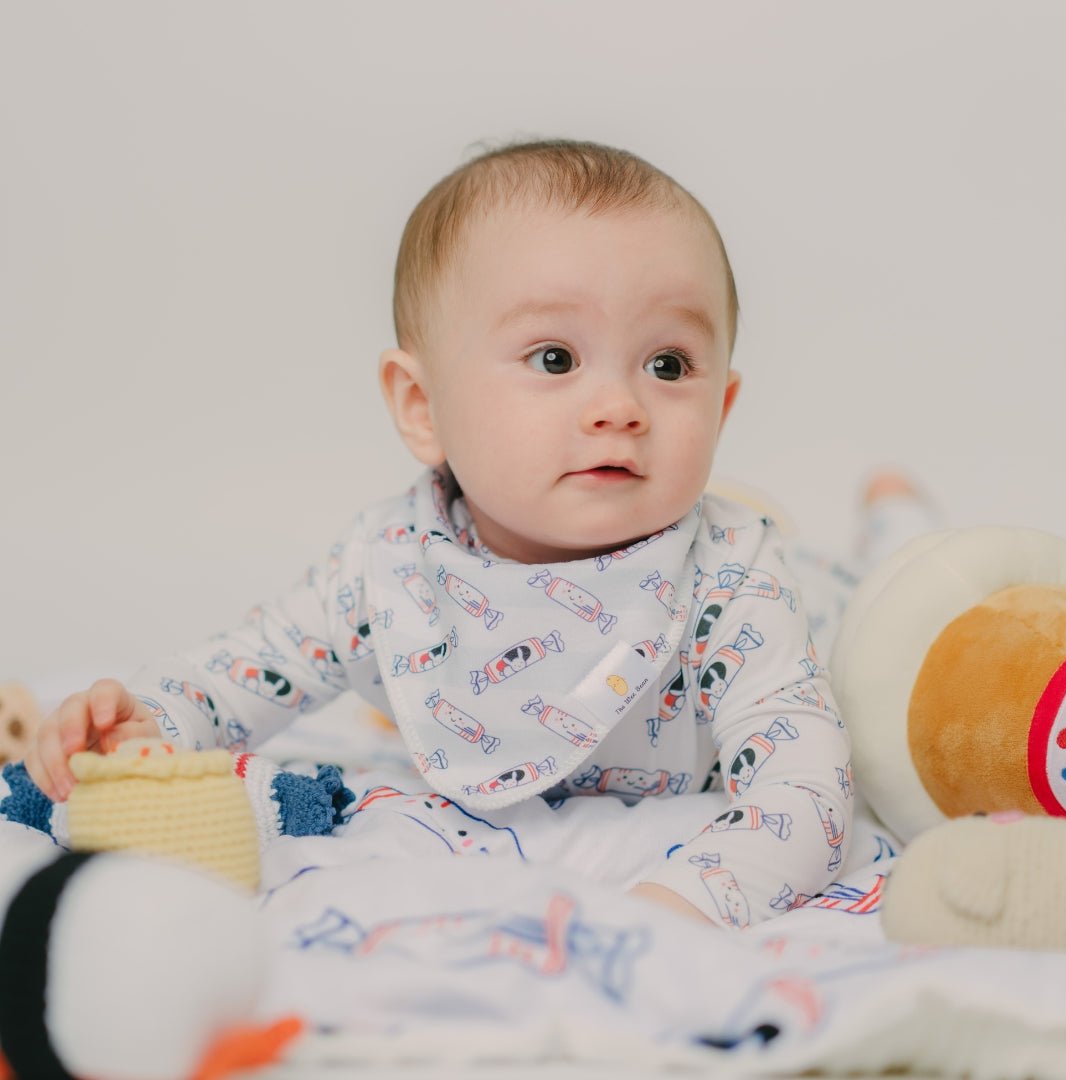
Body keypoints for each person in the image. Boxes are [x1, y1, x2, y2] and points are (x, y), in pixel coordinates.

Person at [22, 139, 852, 928]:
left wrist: (681, 904)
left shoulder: (734, 579)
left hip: (811, 597)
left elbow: (807, 795)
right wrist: (149, 722)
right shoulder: (389, 569)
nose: (620, 407)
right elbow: (240, 672)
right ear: (422, 408)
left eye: (668, 365)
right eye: (555, 359)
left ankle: (891, 516)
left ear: (722, 409)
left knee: (868, 614)